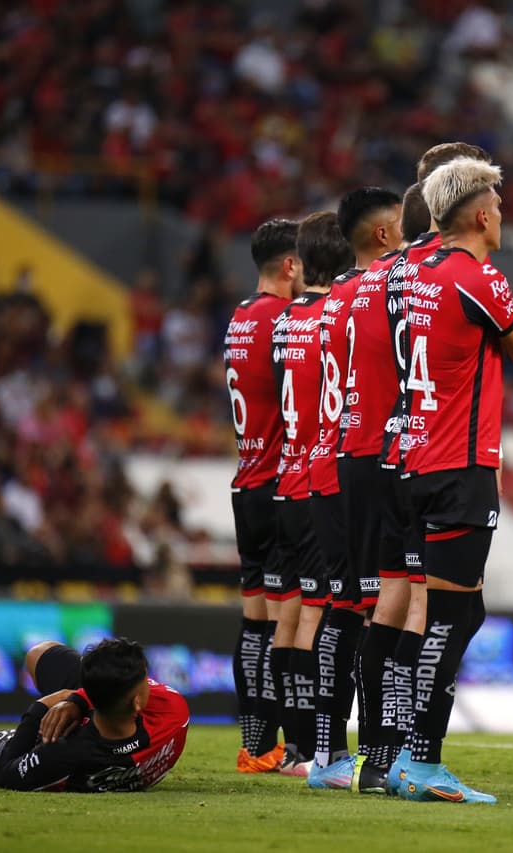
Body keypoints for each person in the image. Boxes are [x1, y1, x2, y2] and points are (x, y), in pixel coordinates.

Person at [338, 144, 490, 796]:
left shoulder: (393, 272)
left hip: (387, 451)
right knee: (426, 608)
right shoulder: (451, 270)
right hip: (428, 452)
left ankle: (378, 756)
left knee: (396, 606)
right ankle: (403, 756)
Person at [392, 155, 513, 804]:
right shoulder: (477, 276)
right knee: (450, 617)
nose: (503, 218)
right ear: (480, 216)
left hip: (409, 460)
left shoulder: (411, 273)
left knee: (444, 610)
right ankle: (420, 762)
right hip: (460, 465)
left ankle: (397, 753)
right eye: (499, 208)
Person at [303, 187, 403, 791]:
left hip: (330, 458)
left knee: (343, 610)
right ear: (384, 234)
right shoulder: (387, 288)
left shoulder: (334, 298)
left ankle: (326, 754)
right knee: (381, 611)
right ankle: (381, 755)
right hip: (372, 457)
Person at [267, 211, 356, 778]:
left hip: (285, 475)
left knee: (291, 616)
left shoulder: (284, 321)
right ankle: (317, 747)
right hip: (323, 476)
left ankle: (295, 746)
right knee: (327, 618)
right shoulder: (336, 312)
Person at [0, 638, 189, 792]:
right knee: (40, 655)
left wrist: (41, 708)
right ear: (138, 702)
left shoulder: (64, 749)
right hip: (116, 736)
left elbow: (10, 776)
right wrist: (75, 700)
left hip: (74, 755)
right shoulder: (173, 714)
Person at [224, 218, 303, 773]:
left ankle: (255, 745)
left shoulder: (239, 318)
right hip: (280, 482)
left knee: (254, 620)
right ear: (291, 265)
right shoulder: (282, 320)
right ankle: (288, 746)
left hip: (247, 480)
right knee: (287, 622)